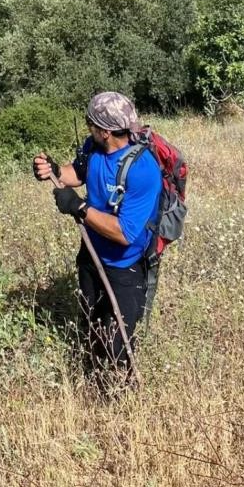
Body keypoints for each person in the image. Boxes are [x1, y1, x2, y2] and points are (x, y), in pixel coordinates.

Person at [34, 91, 161, 382]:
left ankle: (120, 402)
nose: (88, 127)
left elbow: (125, 233)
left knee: (116, 344)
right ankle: (91, 383)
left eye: (91, 123)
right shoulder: (93, 147)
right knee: (90, 326)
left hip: (125, 266)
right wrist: (53, 171)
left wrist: (79, 207)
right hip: (90, 255)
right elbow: (76, 173)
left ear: (106, 131)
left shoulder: (143, 170)